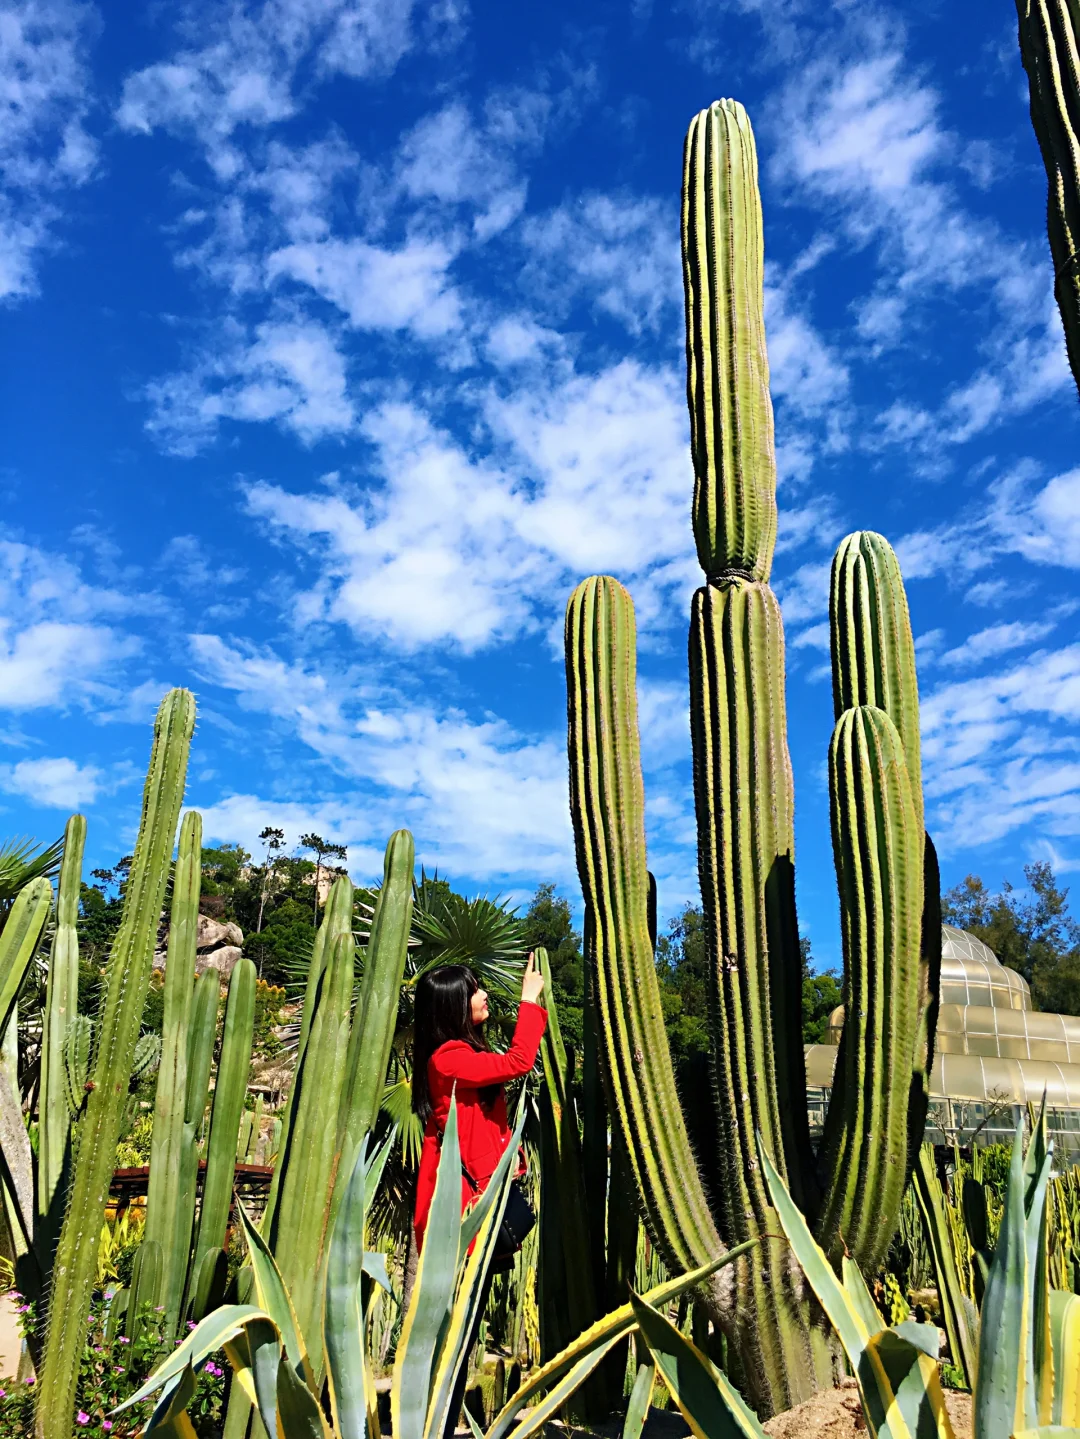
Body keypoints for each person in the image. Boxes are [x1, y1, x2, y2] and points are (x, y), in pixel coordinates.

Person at [412, 953, 547, 1433]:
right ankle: (436, 1425)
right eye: (473, 991)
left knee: (464, 1329)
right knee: (457, 1331)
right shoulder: (448, 1057)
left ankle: (440, 1423)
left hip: (475, 1202)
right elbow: (517, 1062)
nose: (483, 994)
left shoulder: (458, 1055)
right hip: (463, 1213)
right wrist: (529, 1003)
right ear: (451, 1007)